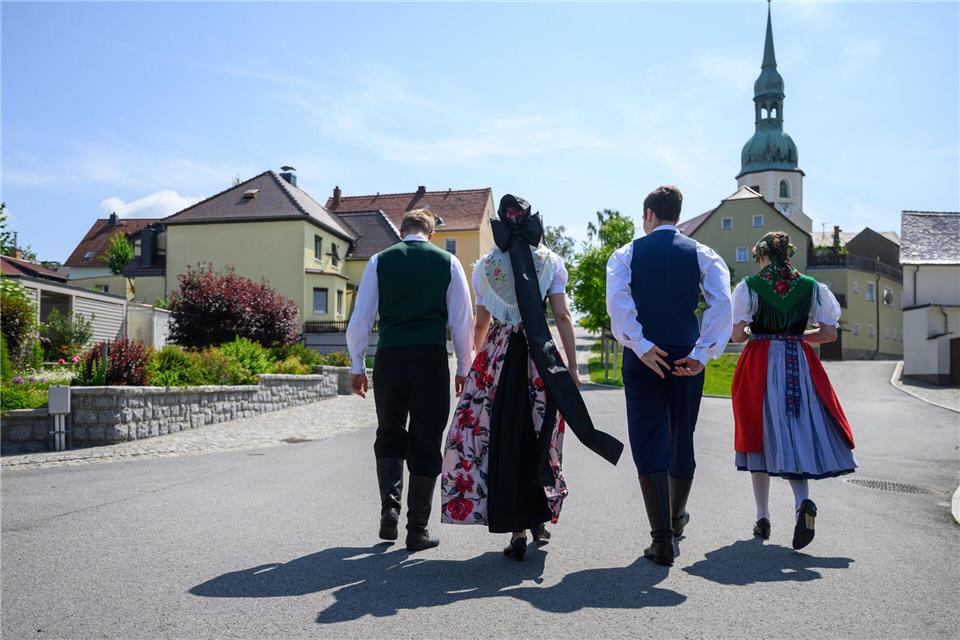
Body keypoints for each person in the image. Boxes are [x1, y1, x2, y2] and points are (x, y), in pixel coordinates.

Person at [440, 194, 623, 561]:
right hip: (540, 357)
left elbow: (481, 323)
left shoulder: (485, 267)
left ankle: (518, 529)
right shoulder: (549, 263)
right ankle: (539, 516)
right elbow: (563, 316)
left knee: (504, 435)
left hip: (499, 357)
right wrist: (571, 366)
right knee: (543, 433)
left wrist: (474, 364)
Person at [606, 185, 733, 567]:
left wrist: (641, 345)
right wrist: (702, 353)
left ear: (648, 214)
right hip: (685, 356)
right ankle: (676, 521)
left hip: (644, 357)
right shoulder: (703, 254)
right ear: (677, 215)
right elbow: (722, 302)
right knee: (682, 436)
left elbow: (618, 302)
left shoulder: (626, 254)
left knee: (649, 438)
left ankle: (662, 540)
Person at [345, 209, 474, 552]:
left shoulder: (379, 261)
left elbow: (362, 317)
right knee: (426, 438)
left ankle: (389, 510)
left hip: (390, 359)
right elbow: (462, 321)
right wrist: (465, 367)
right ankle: (416, 530)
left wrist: (356, 364)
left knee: (389, 431)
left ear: (401, 232)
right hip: (430, 359)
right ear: (431, 234)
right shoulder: (448, 262)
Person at [730, 231, 856, 550]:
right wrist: (797, 335)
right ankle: (802, 503)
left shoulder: (749, 286)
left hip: (759, 363)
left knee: (759, 433)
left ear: (762, 255)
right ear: (788, 254)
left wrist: (753, 329)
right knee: (792, 432)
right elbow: (828, 334)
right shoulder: (812, 287)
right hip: (796, 365)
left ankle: (762, 518)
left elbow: (737, 337)